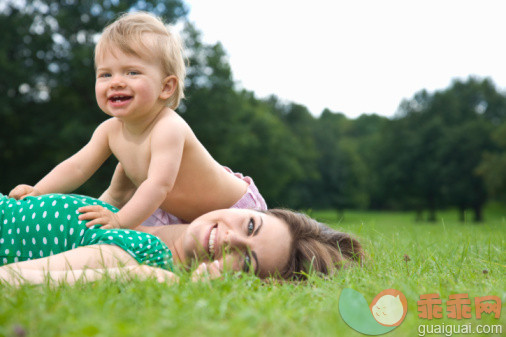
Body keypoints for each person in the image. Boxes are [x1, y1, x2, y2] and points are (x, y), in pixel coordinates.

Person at [8, 11, 267, 230]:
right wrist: (38, 191)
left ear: (166, 87)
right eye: (106, 74)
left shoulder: (168, 127)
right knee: (128, 237)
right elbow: (77, 167)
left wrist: (119, 220)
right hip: (171, 212)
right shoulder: (109, 131)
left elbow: (158, 186)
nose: (117, 81)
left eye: (132, 72)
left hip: (232, 207)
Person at [0, 193, 363, 284]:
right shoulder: (141, 217)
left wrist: (131, 276)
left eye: (246, 260)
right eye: (251, 226)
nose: (231, 240)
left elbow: (11, 281)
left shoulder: (143, 254)